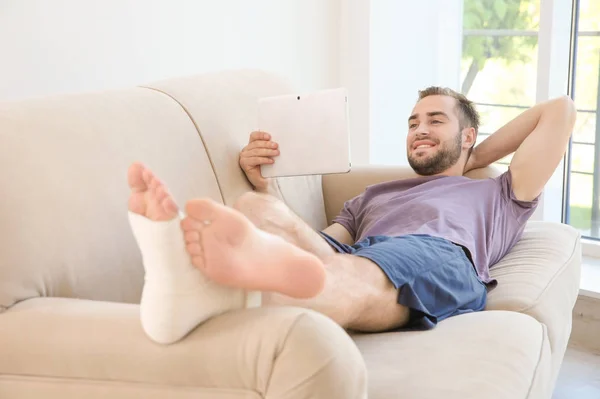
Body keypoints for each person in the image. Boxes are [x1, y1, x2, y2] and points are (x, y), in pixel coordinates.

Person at [127, 86, 576, 345]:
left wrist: (471, 158)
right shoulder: (372, 195)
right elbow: (318, 241)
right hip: (352, 251)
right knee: (255, 208)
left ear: (469, 135)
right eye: (413, 122)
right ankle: (203, 287)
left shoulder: (500, 194)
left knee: (351, 274)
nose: (419, 128)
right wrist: (262, 183)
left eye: (436, 120)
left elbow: (559, 111)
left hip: (437, 254)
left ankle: (193, 291)